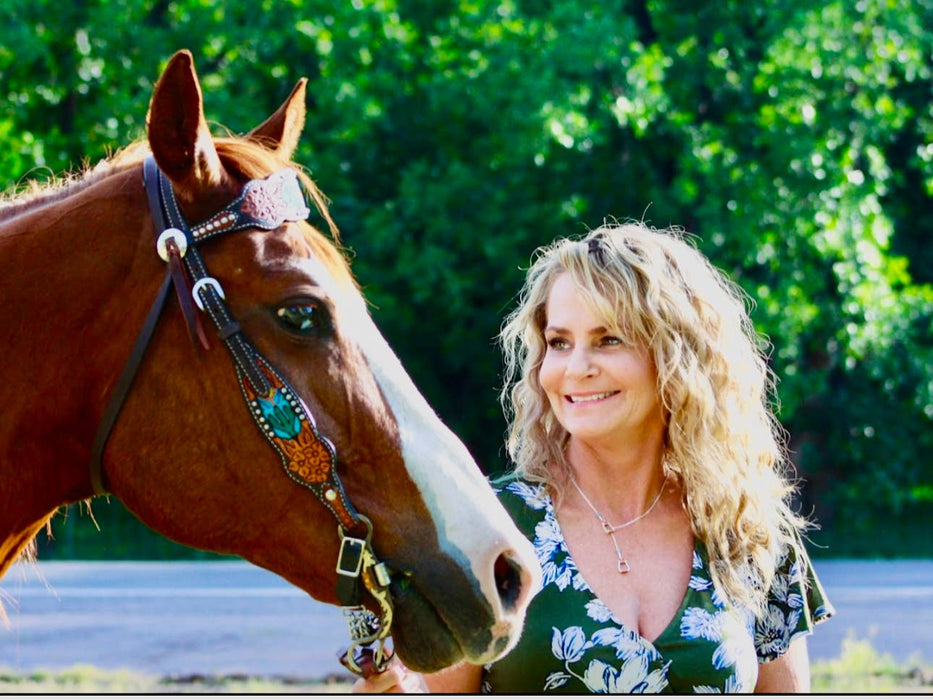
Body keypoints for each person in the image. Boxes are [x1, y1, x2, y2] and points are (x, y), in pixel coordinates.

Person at [354, 221, 834, 694]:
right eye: (559, 343)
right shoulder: (488, 528)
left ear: (676, 357)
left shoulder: (746, 534)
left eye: (609, 339)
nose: (575, 368)